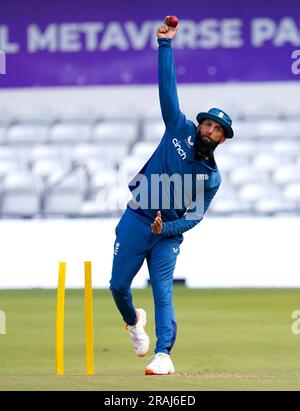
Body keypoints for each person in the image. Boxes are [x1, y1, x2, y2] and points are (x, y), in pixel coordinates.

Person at [109, 21, 234, 375]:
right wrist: (165, 46)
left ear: (222, 139)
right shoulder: (178, 127)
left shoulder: (211, 177)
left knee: (163, 291)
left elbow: (195, 216)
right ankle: (134, 321)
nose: (210, 130)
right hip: (136, 217)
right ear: (200, 125)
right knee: (118, 286)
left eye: (218, 130)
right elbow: (168, 89)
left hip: (167, 235)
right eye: (208, 124)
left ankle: (163, 354)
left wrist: (169, 228)